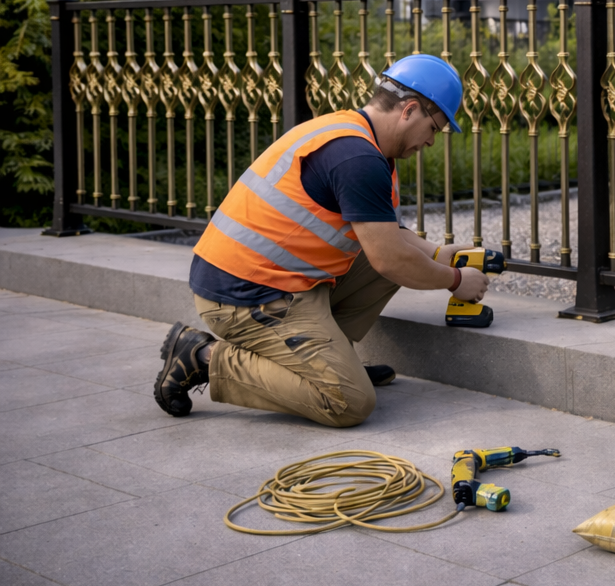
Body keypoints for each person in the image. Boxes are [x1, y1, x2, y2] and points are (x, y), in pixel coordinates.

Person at [153, 55, 491, 427]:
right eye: (435, 128)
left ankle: (328, 360)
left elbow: (385, 237)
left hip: (277, 280)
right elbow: (391, 259)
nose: (430, 141)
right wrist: (457, 281)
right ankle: (201, 356)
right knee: (348, 402)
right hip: (243, 295)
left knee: (393, 260)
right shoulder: (357, 157)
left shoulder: (356, 136)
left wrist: (439, 254)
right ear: (410, 110)